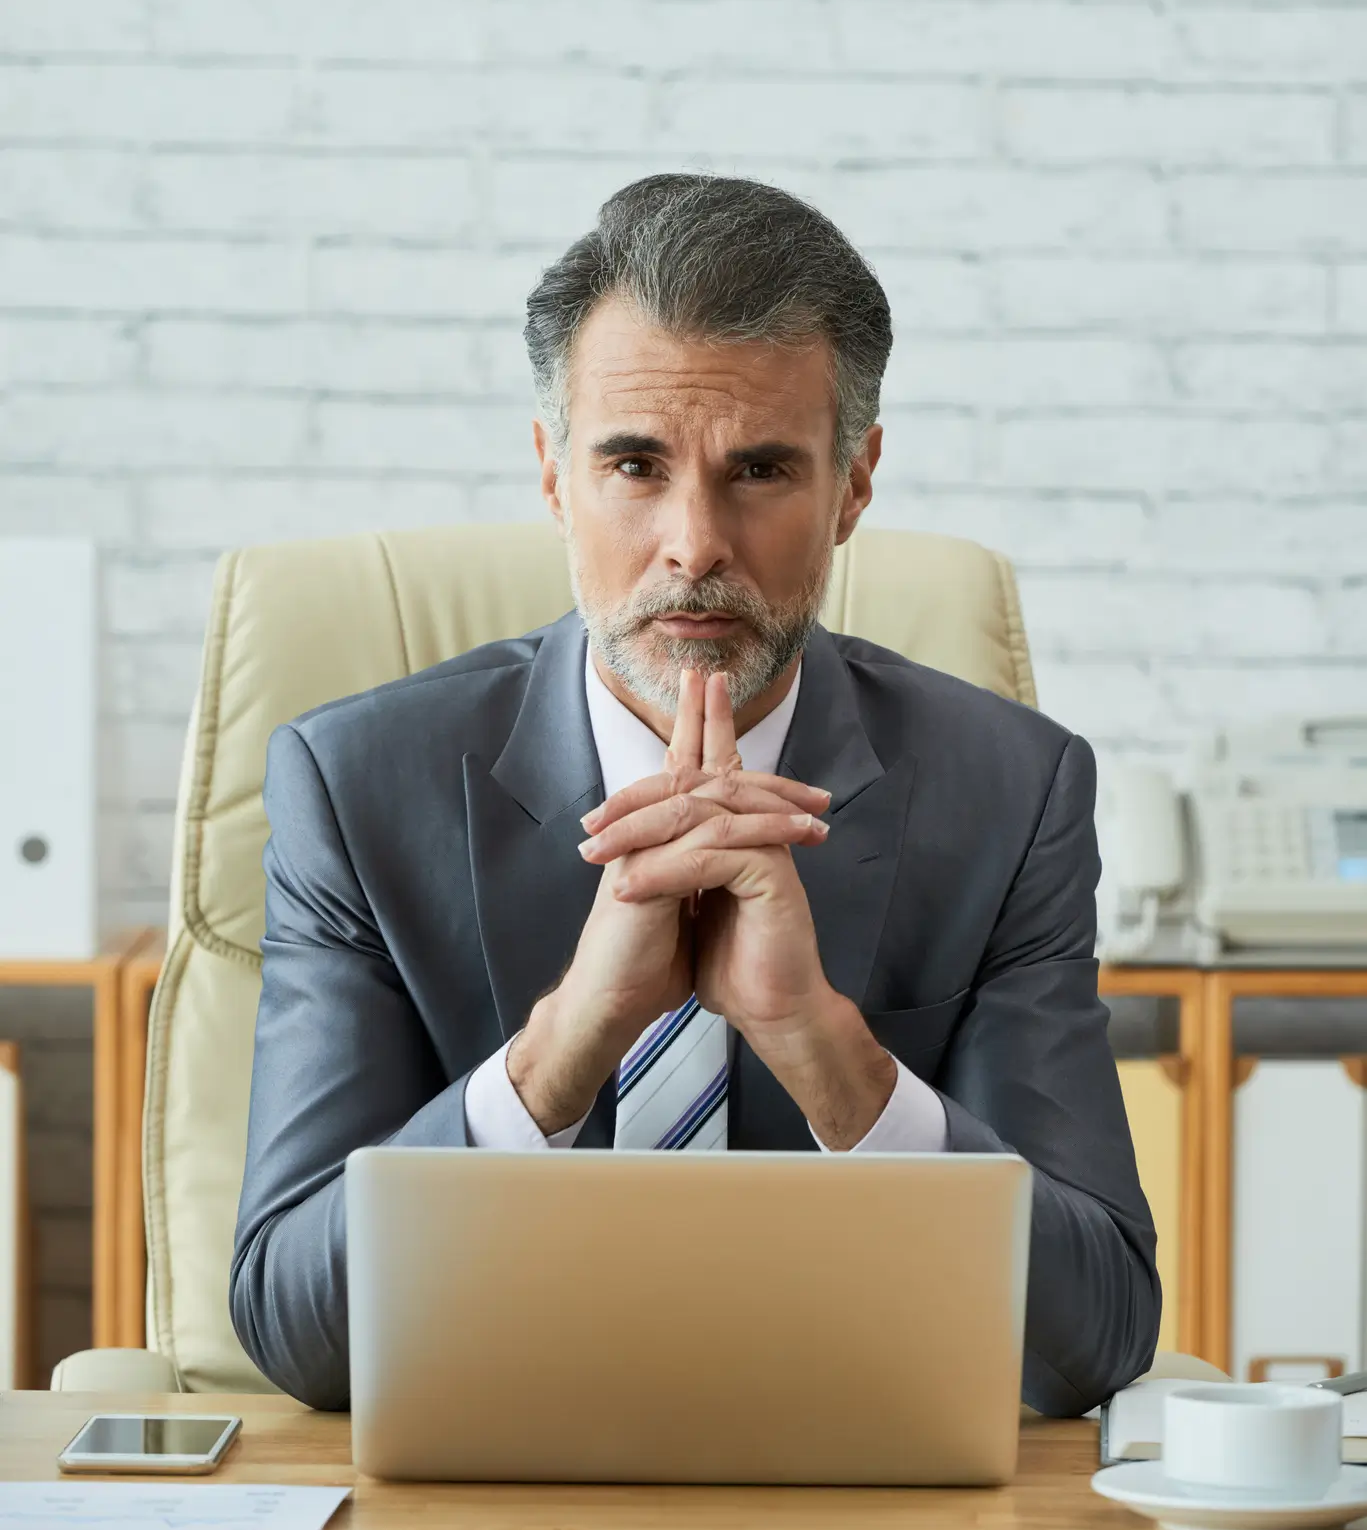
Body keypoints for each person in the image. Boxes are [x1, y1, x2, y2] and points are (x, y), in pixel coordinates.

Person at [231, 173, 1160, 1414]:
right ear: (552, 474)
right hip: (487, 1472)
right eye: (633, 463)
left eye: (760, 468)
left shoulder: (1008, 794)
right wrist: (563, 1048)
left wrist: (832, 1056)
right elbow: (296, 1328)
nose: (693, 543)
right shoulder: (355, 788)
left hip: (854, 1474)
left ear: (853, 483)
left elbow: (1097, 1332)